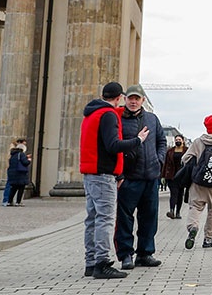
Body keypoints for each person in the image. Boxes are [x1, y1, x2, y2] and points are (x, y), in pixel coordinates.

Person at [80, 81, 149, 279]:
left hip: (91, 174)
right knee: (105, 219)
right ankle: (102, 263)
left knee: (92, 219)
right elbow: (112, 145)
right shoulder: (108, 115)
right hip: (103, 175)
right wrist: (137, 141)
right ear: (119, 98)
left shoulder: (92, 113)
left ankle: (91, 263)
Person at [114, 84, 166, 270]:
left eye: (137, 98)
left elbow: (161, 141)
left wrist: (159, 161)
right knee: (125, 218)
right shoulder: (118, 118)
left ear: (143, 100)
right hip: (128, 178)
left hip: (151, 176)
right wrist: (119, 174)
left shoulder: (152, 119)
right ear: (124, 99)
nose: (133, 101)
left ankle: (145, 253)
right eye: (130, 98)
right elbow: (114, 146)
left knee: (149, 217)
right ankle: (126, 254)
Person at [182, 115, 212, 251]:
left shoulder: (198, 142)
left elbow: (185, 159)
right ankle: (209, 238)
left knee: (195, 207)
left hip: (197, 183)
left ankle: (193, 227)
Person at [162, 135, 189, 219]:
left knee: (180, 194)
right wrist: (163, 176)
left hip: (182, 176)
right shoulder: (170, 151)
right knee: (174, 194)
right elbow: (165, 163)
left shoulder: (187, 151)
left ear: (183, 141)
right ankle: (171, 211)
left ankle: (178, 212)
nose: (178, 141)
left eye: (179, 139)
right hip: (172, 176)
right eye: (176, 139)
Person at [6, 140, 31, 205]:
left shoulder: (13, 154)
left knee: (13, 188)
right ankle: (18, 202)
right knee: (21, 188)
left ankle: (9, 201)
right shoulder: (21, 154)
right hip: (20, 173)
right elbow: (25, 162)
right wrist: (29, 160)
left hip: (13, 173)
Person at [1, 139, 25, 205]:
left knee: (12, 185)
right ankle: (7, 200)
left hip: (11, 169)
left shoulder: (13, 151)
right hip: (14, 170)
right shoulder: (16, 152)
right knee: (11, 185)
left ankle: (8, 200)